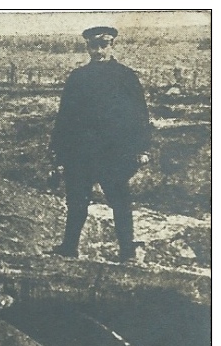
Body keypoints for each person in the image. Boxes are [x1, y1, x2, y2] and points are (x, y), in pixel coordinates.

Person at [48, 26, 152, 262]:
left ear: (111, 45)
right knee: (76, 202)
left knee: (120, 201)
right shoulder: (77, 78)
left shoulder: (126, 76)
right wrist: (58, 153)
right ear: (88, 48)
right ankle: (69, 247)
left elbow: (140, 114)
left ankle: (126, 251)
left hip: (113, 152)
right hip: (80, 152)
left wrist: (142, 148)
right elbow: (64, 117)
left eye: (103, 46)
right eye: (93, 46)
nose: (98, 51)